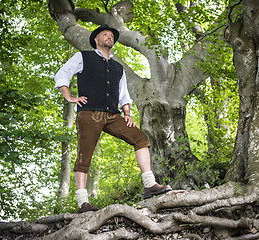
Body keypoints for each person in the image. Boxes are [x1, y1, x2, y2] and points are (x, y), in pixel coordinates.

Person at [54, 24, 172, 213]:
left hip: (113, 115)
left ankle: (150, 185)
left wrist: (127, 114)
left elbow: (123, 94)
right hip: (89, 113)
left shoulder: (118, 66)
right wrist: (69, 96)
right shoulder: (83, 57)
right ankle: (83, 202)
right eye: (105, 34)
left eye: (112, 36)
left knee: (141, 139)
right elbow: (62, 74)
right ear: (96, 39)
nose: (110, 37)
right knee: (84, 156)